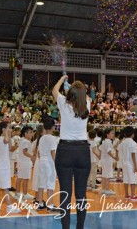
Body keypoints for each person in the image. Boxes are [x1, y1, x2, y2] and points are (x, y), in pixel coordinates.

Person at [52, 75, 91, 229]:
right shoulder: (87, 103)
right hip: (82, 151)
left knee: (65, 194)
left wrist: (63, 79)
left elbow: (54, 90)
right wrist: (73, 90)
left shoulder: (63, 102)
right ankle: (80, 227)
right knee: (81, 195)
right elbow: (84, 96)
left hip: (65, 150)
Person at [0, 121, 21, 214]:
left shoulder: (2, 138)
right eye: (9, 128)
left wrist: (16, 146)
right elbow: (6, 141)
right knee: (6, 187)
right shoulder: (2, 138)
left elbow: (10, 149)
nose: (11, 130)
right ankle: (9, 206)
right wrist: (7, 134)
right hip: (3, 166)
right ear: (3, 129)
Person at [36, 117, 58, 211]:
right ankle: (50, 205)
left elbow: (39, 153)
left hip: (42, 161)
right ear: (53, 127)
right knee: (50, 183)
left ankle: (40, 203)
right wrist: (57, 163)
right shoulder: (52, 138)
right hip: (49, 162)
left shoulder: (42, 138)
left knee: (41, 183)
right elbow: (53, 152)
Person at [118, 126, 137, 201]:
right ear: (132, 134)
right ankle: (133, 195)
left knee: (126, 179)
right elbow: (133, 154)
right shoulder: (133, 143)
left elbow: (117, 149)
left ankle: (126, 194)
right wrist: (135, 165)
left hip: (124, 163)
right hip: (130, 163)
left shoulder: (123, 142)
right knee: (132, 179)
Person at [14, 126, 35, 200]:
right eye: (30, 132)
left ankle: (17, 192)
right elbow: (25, 152)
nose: (32, 134)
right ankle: (25, 194)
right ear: (25, 134)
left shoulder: (21, 140)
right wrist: (32, 157)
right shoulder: (26, 141)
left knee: (19, 177)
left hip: (20, 162)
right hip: (25, 162)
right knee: (25, 178)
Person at [99, 128, 117, 195]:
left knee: (104, 175)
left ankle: (104, 189)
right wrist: (114, 157)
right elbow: (108, 151)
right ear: (107, 135)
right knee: (107, 175)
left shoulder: (104, 141)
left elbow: (100, 149)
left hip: (103, 160)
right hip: (107, 161)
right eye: (112, 133)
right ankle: (107, 189)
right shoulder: (108, 142)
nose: (113, 134)